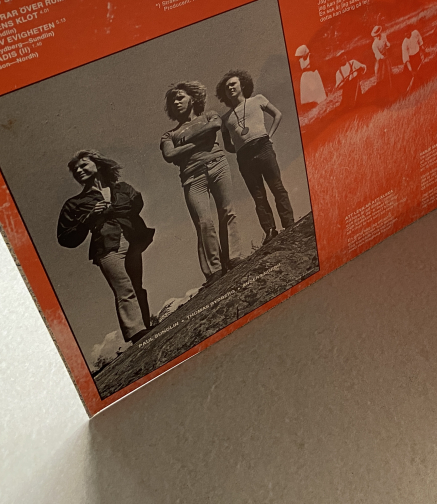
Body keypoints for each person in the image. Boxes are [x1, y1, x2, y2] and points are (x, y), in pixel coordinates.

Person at [57, 150, 154, 345]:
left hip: (131, 240)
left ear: (98, 164)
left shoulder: (122, 188)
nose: (79, 171)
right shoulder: (75, 203)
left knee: (136, 285)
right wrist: (89, 218)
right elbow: (65, 237)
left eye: (83, 165)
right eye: (75, 170)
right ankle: (137, 333)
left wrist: (111, 209)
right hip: (106, 246)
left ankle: (146, 327)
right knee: (124, 287)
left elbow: (136, 205)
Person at [160, 81, 237, 283]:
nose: (176, 102)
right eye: (173, 101)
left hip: (218, 164)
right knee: (204, 222)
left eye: (180, 97)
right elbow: (169, 155)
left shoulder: (209, 115)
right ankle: (215, 270)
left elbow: (215, 126)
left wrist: (185, 144)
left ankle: (234, 258)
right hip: (192, 177)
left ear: (193, 99)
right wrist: (201, 140)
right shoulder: (169, 134)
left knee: (227, 211)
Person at [216, 70, 294, 244]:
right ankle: (270, 230)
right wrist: (241, 149)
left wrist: (269, 136)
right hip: (244, 157)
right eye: (226, 87)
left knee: (277, 186)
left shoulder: (258, 99)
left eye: (233, 84)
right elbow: (227, 145)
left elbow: (277, 114)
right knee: (258, 195)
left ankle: (289, 223)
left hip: (263, 147)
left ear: (242, 85)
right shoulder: (225, 119)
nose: (230, 88)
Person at [371, 26, 393, 95]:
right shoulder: (374, 45)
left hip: (385, 56)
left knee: (389, 71)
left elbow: (386, 42)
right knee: (380, 75)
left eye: (379, 34)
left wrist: (388, 45)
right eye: (376, 35)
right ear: (375, 36)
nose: (378, 36)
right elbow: (378, 54)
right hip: (380, 59)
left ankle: (390, 87)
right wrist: (383, 57)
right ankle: (381, 89)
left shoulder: (383, 36)